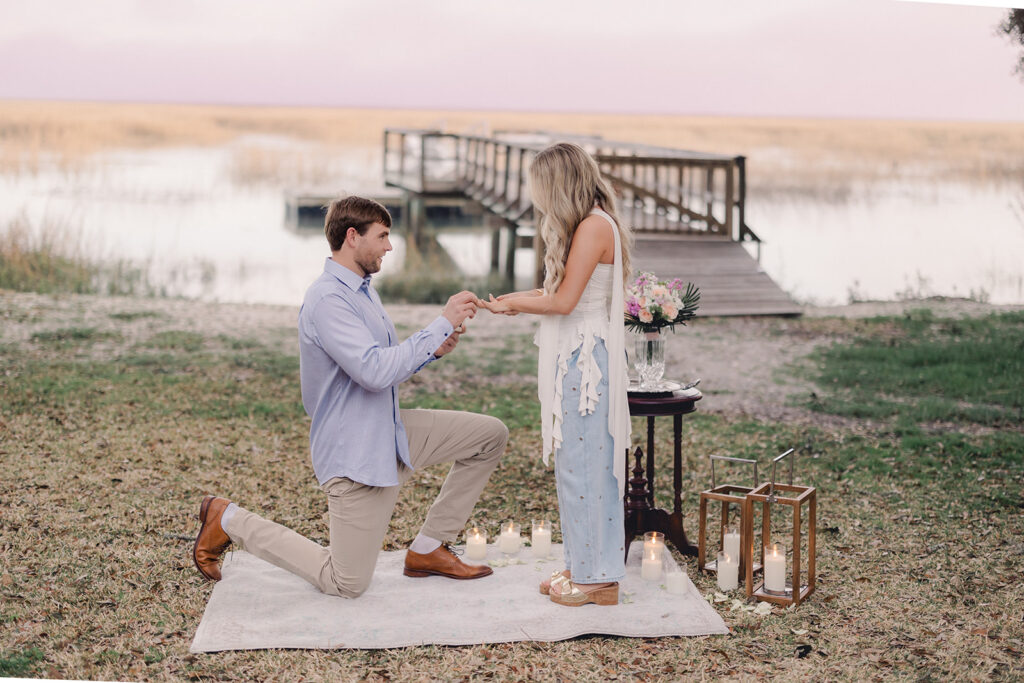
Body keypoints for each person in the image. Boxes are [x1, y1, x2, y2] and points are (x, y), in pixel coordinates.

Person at [192, 195, 508, 597]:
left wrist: (434, 348)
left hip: (388, 430)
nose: (390, 246)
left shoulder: (361, 290)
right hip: (354, 451)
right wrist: (440, 322)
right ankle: (229, 520)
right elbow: (374, 372)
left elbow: (382, 364)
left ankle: (429, 548)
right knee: (347, 583)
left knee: (488, 435)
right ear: (353, 237)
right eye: (383, 236)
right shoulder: (328, 299)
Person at [479, 142, 633, 606]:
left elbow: (563, 303)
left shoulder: (592, 226)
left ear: (558, 184)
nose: (537, 198)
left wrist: (517, 305)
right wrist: (510, 299)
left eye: (541, 187)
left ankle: (597, 580)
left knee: (586, 468)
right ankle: (586, 563)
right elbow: (559, 290)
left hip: (587, 363)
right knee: (576, 466)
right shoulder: (592, 223)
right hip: (577, 354)